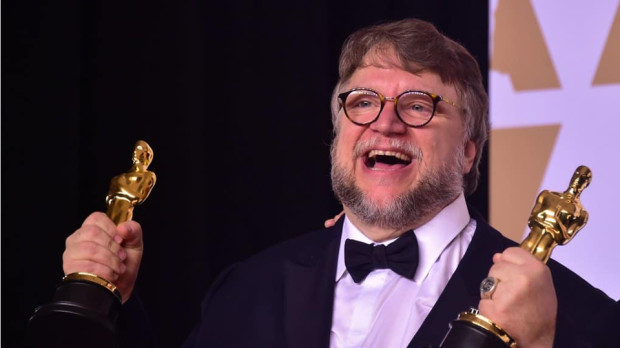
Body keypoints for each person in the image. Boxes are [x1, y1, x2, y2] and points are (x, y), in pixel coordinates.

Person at [62, 18, 619, 347]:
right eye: (362, 101)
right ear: (337, 134)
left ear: (471, 148)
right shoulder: (249, 287)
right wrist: (115, 302)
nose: (385, 121)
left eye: (419, 104)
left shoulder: (581, 315)